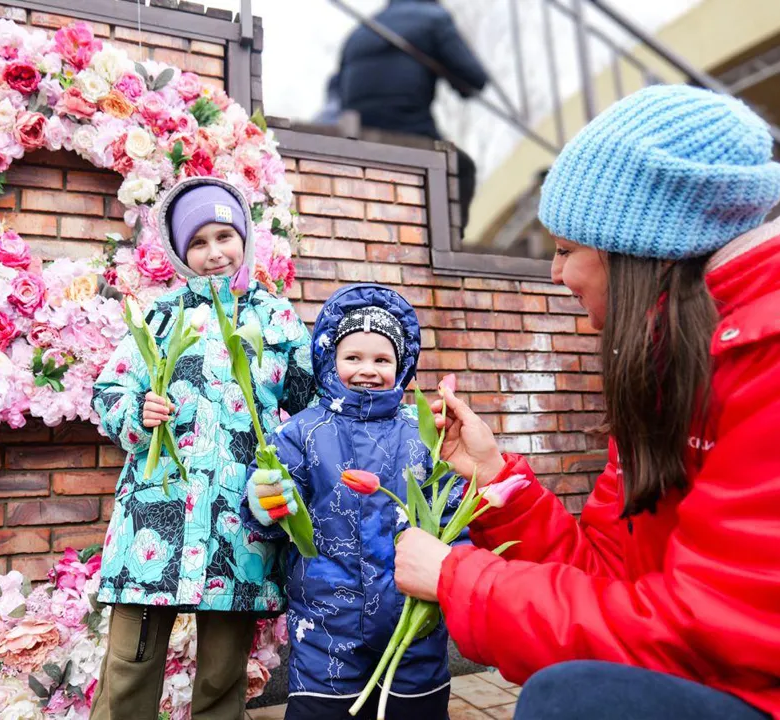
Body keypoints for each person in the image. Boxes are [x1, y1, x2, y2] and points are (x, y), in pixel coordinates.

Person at [392, 84, 780, 720]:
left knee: (571, 700)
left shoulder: (764, 360)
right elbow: (606, 573)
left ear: (637, 250)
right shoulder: (668, 369)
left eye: (567, 250)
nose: (554, 275)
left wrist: (459, 580)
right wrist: (494, 481)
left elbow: (707, 630)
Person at [89, 177, 318, 720]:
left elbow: (311, 406)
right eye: (199, 242)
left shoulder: (276, 317)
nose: (214, 253)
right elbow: (109, 391)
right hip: (156, 515)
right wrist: (138, 411)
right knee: (129, 668)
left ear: (245, 238)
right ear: (179, 250)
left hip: (240, 522)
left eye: (225, 236)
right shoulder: (159, 317)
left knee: (222, 677)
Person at [242, 284, 468, 720]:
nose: (368, 370)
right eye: (354, 358)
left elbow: (453, 510)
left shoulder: (421, 432)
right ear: (330, 361)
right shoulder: (303, 432)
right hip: (327, 625)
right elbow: (273, 515)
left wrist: (457, 570)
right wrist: (266, 498)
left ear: (401, 367)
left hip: (412, 620)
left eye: (382, 360)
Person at [335, 0, 487, 232]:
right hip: (410, 130)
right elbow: (473, 77)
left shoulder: (361, 29)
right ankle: (451, 244)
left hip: (358, 135)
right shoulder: (434, 18)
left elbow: (337, 92)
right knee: (461, 168)